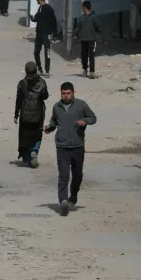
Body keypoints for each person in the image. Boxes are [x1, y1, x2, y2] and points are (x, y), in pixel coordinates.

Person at [44, 82, 96, 216]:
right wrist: (49, 128)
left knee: (77, 175)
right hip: (62, 146)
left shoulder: (81, 105)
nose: (66, 96)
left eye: (68, 93)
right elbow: (54, 122)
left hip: (77, 146)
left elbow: (93, 117)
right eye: (63, 93)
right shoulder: (57, 107)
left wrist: (85, 121)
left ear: (73, 93)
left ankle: (73, 196)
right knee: (63, 176)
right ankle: (63, 201)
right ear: (60, 93)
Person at [14, 62, 48, 168]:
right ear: (36, 70)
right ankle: (34, 150)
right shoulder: (42, 82)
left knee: (24, 135)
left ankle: (26, 158)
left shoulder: (21, 83)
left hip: (25, 116)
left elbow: (18, 100)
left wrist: (16, 114)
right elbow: (45, 96)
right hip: (38, 115)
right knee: (37, 135)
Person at [30, 0, 58, 76]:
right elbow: (37, 18)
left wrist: (55, 34)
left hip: (47, 34)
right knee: (36, 52)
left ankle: (47, 71)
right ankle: (39, 69)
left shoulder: (49, 9)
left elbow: (54, 22)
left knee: (47, 52)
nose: (36, 1)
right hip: (39, 34)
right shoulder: (40, 8)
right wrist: (32, 18)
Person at [74, 0, 101, 78]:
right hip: (83, 40)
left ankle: (92, 72)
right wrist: (72, 33)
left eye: (82, 7)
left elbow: (98, 27)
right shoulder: (82, 17)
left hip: (92, 39)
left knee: (91, 56)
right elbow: (78, 28)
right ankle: (85, 70)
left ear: (84, 7)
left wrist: (99, 37)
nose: (82, 9)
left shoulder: (94, 17)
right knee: (84, 55)